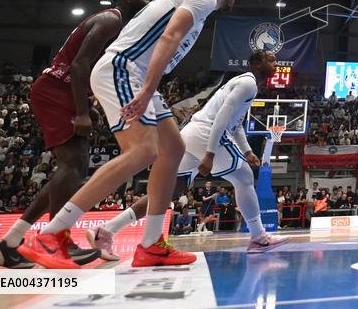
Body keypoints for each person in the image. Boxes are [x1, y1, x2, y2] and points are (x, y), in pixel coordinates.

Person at [20, 0, 242, 268]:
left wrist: (149, 87)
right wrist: (148, 90)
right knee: (142, 150)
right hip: (124, 69)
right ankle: (51, 234)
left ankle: (151, 244)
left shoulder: (200, 3)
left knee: (173, 149)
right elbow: (169, 37)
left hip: (135, 74)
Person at [0, 0, 150, 269]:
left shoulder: (116, 25)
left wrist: (85, 106)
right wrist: (83, 113)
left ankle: (9, 243)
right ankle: (56, 240)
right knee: (73, 166)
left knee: (70, 169)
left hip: (64, 93)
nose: (148, 1)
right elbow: (78, 65)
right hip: (55, 89)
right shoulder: (112, 19)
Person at [88, 50, 287, 257]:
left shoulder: (246, 85)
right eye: (271, 59)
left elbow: (234, 124)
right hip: (206, 134)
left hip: (192, 135)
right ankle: (259, 238)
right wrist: (209, 153)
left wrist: (246, 151)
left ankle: (106, 230)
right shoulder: (248, 84)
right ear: (256, 64)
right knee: (244, 177)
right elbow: (221, 118)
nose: (276, 62)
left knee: (168, 192)